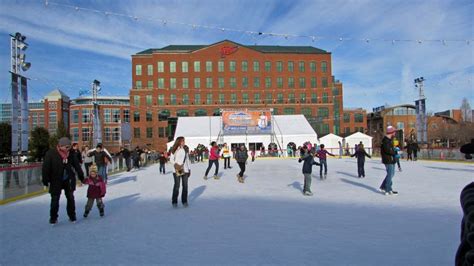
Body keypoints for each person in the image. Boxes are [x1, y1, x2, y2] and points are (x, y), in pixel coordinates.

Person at [42, 137, 84, 224]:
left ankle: (72, 216)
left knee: (70, 198)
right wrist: (45, 180)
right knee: (55, 199)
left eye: (69, 147)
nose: (69, 149)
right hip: (55, 179)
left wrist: (81, 176)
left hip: (68, 179)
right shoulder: (51, 153)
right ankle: (53, 218)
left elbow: (77, 166)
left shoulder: (71, 153)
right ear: (61, 146)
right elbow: (46, 167)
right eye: (67, 147)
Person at [170, 136, 191, 208]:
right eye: (182, 141)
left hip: (185, 169)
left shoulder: (185, 149)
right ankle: (174, 201)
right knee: (177, 186)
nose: (184, 142)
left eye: (184, 141)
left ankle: (184, 201)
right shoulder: (175, 149)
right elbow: (171, 159)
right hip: (178, 169)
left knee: (185, 186)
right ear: (179, 141)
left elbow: (187, 160)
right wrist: (176, 165)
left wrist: (189, 169)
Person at [379, 126, 398, 195]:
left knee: (391, 174)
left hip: (391, 159)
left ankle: (384, 187)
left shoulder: (389, 140)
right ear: (391, 132)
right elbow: (387, 150)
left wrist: (394, 151)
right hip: (388, 159)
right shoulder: (385, 140)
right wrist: (395, 152)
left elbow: (390, 149)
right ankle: (388, 189)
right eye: (394, 132)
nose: (395, 133)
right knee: (390, 174)